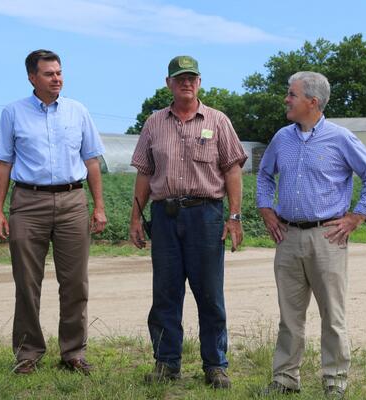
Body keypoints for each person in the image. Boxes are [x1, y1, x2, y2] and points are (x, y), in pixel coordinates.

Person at [256, 71, 366, 398]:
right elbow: (264, 174)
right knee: (290, 316)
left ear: (312, 102)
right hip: (287, 237)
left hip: (327, 238)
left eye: (292, 94)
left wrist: (357, 217)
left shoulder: (341, 138)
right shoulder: (281, 138)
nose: (286, 99)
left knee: (332, 316)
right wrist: (265, 208)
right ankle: (285, 380)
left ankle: (334, 382)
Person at [129, 55, 247, 388]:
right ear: (168, 83)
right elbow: (144, 172)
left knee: (209, 293)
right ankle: (166, 362)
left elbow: (232, 170)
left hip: (206, 215)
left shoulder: (218, 121)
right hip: (164, 217)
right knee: (165, 293)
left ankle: (215, 364)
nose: (186, 83)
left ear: (199, 82)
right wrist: (136, 218)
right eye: (179, 78)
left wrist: (234, 217)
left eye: (192, 77)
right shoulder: (154, 123)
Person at [0, 49, 107, 375]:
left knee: (75, 283)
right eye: (49, 74)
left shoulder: (77, 111)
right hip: (28, 203)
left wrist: (99, 206)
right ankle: (28, 353)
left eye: (59, 72)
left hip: (72, 202)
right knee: (27, 282)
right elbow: (3, 163)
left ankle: (73, 352)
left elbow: (92, 161)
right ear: (32, 77)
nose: (57, 78)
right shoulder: (13, 113)